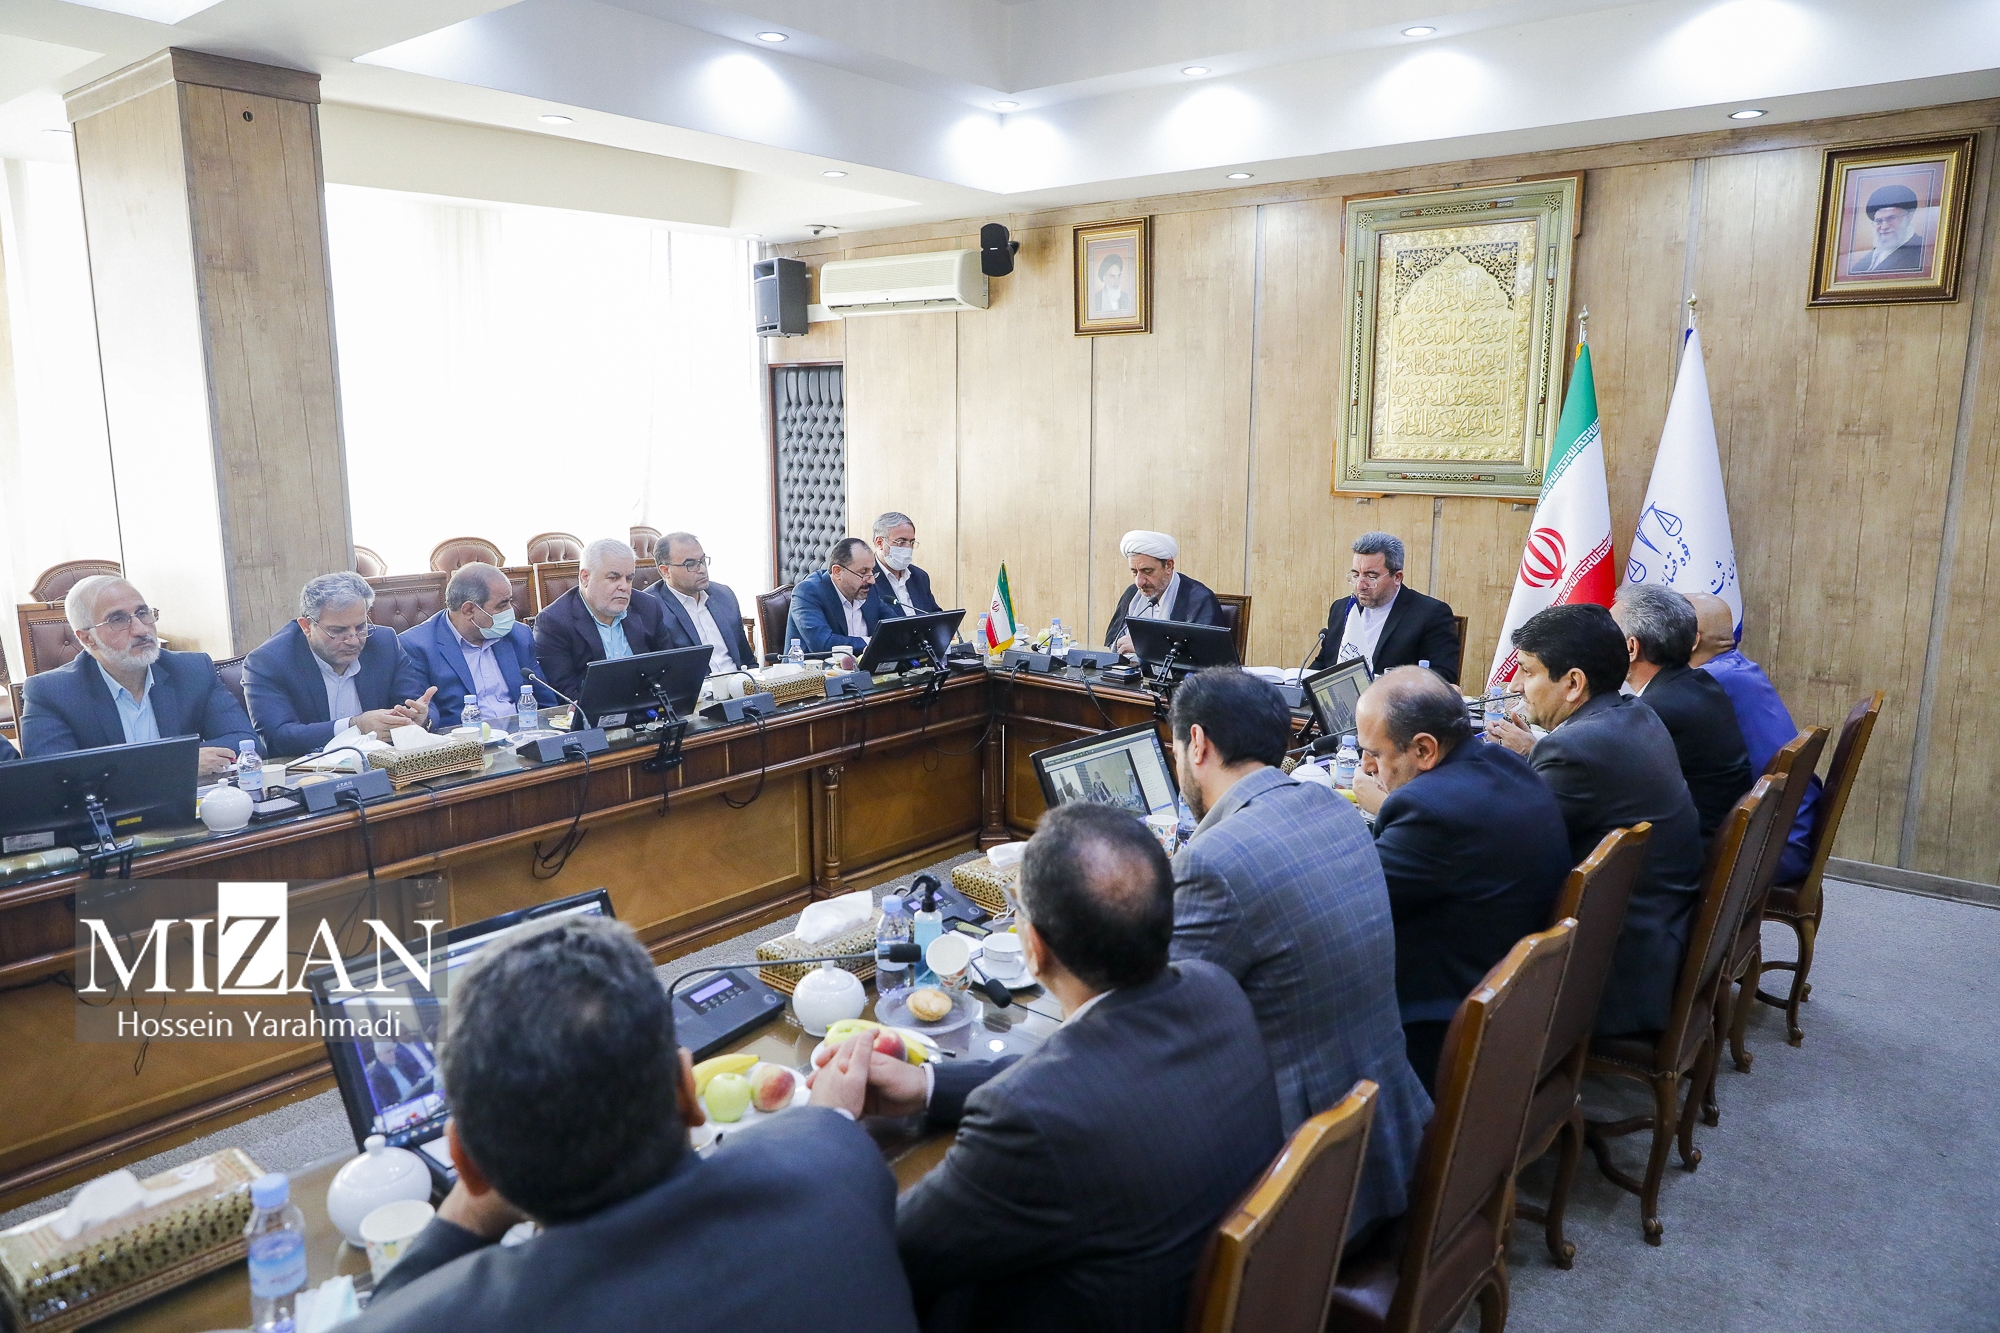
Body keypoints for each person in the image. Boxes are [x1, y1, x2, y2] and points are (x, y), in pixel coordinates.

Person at [809, 802, 1280, 1333]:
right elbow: (1077, 1072)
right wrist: (927, 1084)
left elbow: (883, 1259)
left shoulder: (1033, 1120)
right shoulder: (1215, 989)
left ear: (1033, 947)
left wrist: (829, 1124)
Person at [349, 914, 918, 1333]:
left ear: (466, 1164)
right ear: (687, 1092)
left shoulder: (450, 1317)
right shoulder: (834, 1155)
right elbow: (822, 1132)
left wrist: (481, 1177)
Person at [1166, 667, 1430, 1238]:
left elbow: (1156, 1027)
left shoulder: (1212, 863)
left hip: (1307, 1194)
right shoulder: (1333, 807)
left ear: (1197, 743)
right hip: (1392, 1136)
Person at [1349, 667, 1570, 1094]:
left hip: (1444, 1024)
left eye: (1373, 753)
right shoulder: (1506, 762)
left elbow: (1351, 905)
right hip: (1515, 1000)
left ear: (1424, 749)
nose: (1366, 766)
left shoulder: (1428, 810)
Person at [1487, 603, 1706, 1035]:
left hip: (1613, 971)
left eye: (1527, 672)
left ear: (1573, 683)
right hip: (1655, 931)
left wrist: (1391, 803)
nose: (1516, 685)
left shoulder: (1575, 749)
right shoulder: (1633, 713)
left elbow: (1501, 850)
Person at [19, 575, 258, 775]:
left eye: (142, 613)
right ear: (87, 638)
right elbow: (53, 777)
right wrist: (176, 763)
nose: (141, 629)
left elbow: (246, 743)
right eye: (118, 619)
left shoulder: (192, 670)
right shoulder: (51, 693)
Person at [1689, 592, 1820, 881]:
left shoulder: (1707, 682)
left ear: (1693, 640)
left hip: (1770, 847)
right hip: (1787, 830)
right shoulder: (1738, 668)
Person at [1612, 585, 1753, 842]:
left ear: (1631, 648)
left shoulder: (1653, 711)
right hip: (1716, 835)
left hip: (1690, 851)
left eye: (1609, 636)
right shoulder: (1703, 684)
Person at [243, 573, 435, 756]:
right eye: (338, 631)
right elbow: (277, 738)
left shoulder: (384, 643)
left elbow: (420, 704)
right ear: (306, 626)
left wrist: (420, 717)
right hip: (311, 772)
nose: (353, 640)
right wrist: (355, 726)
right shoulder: (268, 661)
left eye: (360, 627)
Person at [400, 564, 557, 730]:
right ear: (468, 610)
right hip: (464, 742)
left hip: (522, 736)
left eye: (510, 602)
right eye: (502, 605)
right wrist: (424, 718)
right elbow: (423, 708)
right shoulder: (416, 646)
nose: (510, 611)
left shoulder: (519, 635)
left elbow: (546, 703)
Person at [531, 538, 675, 702]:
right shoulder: (554, 622)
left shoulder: (647, 607)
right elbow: (563, 693)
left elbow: (669, 669)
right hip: (592, 712)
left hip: (647, 708)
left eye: (629, 578)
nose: (624, 586)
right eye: (613, 578)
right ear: (585, 577)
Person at [1309, 532, 1462, 683]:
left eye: (1371, 577)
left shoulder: (1431, 614)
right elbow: (1324, 663)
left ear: (1397, 577)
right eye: (1356, 575)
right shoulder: (1341, 608)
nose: (1360, 586)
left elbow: (1444, 676)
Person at [1102, 530, 1226, 655]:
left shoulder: (1198, 599)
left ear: (1168, 566)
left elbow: (1205, 655)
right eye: (1134, 572)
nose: (1139, 582)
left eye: (1147, 571)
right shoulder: (1132, 594)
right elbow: (1112, 644)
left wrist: (1145, 647)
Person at [649, 532, 756, 673]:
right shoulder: (651, 607)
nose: (703, 570)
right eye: (691, 564)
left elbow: (747, 659)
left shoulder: (724, 595)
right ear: (665, 571)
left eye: (703, 560)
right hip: (696, 686)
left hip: (739, 681)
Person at [785, 537, 882, 655]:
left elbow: (893, 627)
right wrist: (871, 643)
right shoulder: (807, 592)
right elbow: (822, 644)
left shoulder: (867, 589)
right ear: (837, 572)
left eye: (872, 571)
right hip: (814, 666)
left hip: (863, 666)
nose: (872, 580)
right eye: (863, 572)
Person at [866, 511, 942, 620]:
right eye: (901, 542)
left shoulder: (920, 576)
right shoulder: (866, 579)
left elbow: (935, 614)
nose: (908, 548)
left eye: (911, 542)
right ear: (880, 542)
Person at [1848, 184, 1927, 275]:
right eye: (1879, 221)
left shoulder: (1923, 253)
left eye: (1891, 218)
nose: (1884, 227)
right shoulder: (1866, 260)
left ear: (1909, 217)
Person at [364, 1037, 438, 1109]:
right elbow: (386, 1102)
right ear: (379, 1055)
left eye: (393, 1050)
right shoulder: (376, 1076)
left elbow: (416, 1077)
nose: (393, 1054)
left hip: (417, 1096)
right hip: (401, 1107)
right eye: (388, 1052)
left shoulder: (400, 1060)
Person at [1090, 252, 1132, 317]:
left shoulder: (1126, 297)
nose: (1116, 281)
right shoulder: (1095, 300)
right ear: (1104, 278)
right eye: (1112, 277)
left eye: (1118, 276)